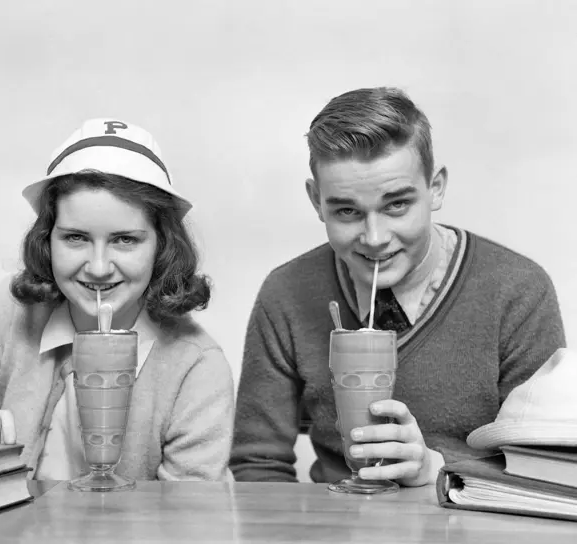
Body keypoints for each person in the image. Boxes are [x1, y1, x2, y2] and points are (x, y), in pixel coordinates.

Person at [230, 87, 565, 486]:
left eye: (396, 205)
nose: (374, 237)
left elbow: (546, 470)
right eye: (347, 211)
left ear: (435, 188)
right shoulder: (286, 293)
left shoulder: (518, 291)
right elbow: (258, 463)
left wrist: (435, 469)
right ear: (316, 200)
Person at [0, 118, 235, 482]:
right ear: (47, 240)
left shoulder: (197, 366)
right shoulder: (12, 312)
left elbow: (190, 521)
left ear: (162, 246)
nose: (99, 267)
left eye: (125, 240)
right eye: (75, 238)